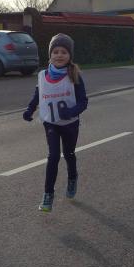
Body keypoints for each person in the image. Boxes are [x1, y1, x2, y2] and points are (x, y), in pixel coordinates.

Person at [23, 33, 88, 211]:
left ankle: (72, 178)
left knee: (68, 154)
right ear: (50, 55)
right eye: (56, 52)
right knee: (53, 156)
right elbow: (38, 95)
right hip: (51, 123)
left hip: (70, 124)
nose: (59, 55)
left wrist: (71, 112)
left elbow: (83, 102)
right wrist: (30, 109)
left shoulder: (74, 75)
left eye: (64, 52)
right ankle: (48, 194)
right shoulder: (42, 75)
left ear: (70, 56)